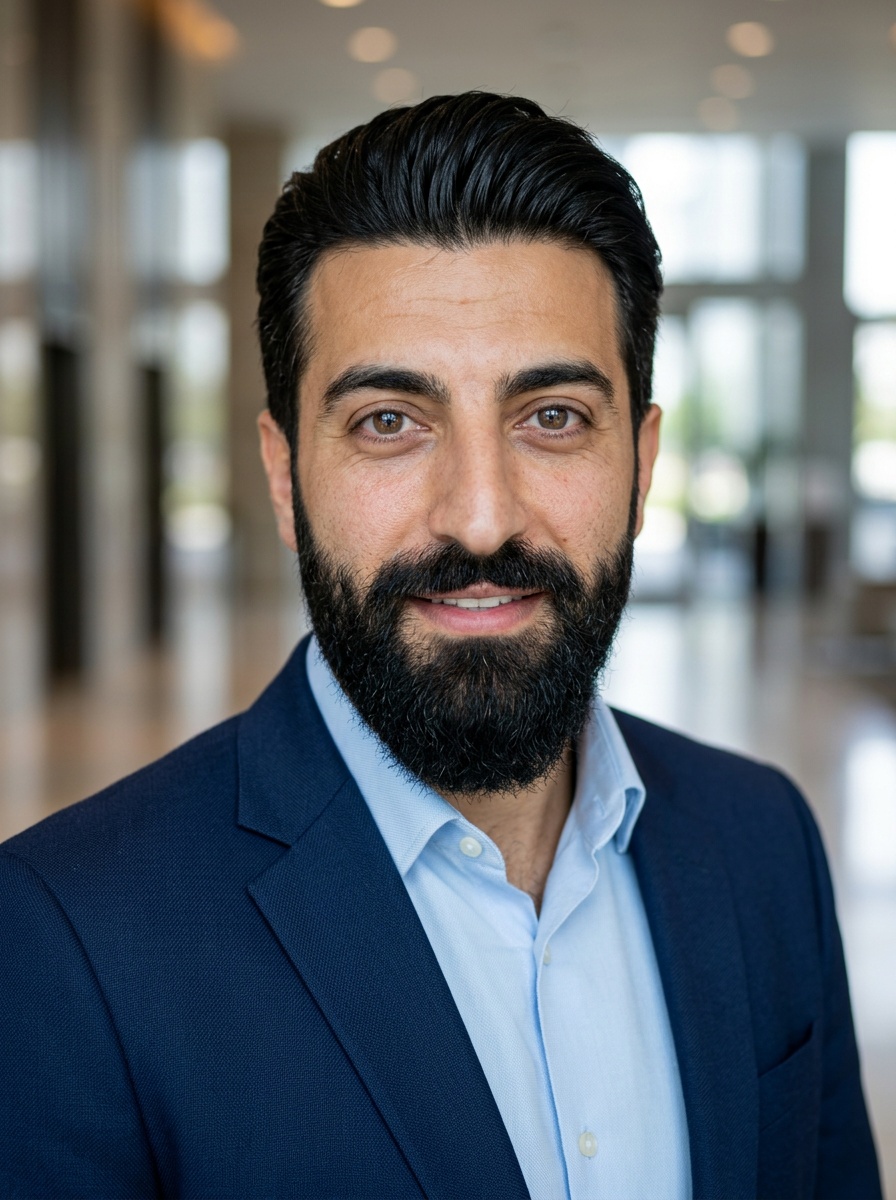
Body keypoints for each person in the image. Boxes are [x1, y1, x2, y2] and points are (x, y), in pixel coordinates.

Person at [0, 92, 881, 1200]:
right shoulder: (66, 937)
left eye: (552, 416)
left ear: (643, 462)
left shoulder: (761, 843)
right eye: (389, 422)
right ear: (284, 474)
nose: (479, 517)